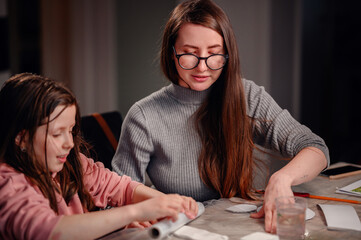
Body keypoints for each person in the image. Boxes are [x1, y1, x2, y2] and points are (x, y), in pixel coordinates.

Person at [112, 0, 329, 234]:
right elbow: (116, 195)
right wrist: (130, 217)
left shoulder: (248, 96)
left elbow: (316, 148)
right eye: (189, 53)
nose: (202, 67)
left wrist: (282, 178)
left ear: (227, 54)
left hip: (239, 229)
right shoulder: (143, 116)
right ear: (171, 53)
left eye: (214, 54)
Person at [0, 73, 198, 240]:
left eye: (71, 130)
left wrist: (168, 203)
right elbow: (49, 230)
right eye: (57, 134)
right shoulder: (8, 184)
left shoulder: (71, 162)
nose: (69, 143)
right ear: (22, 138)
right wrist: (138, 211)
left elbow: (120, 188)